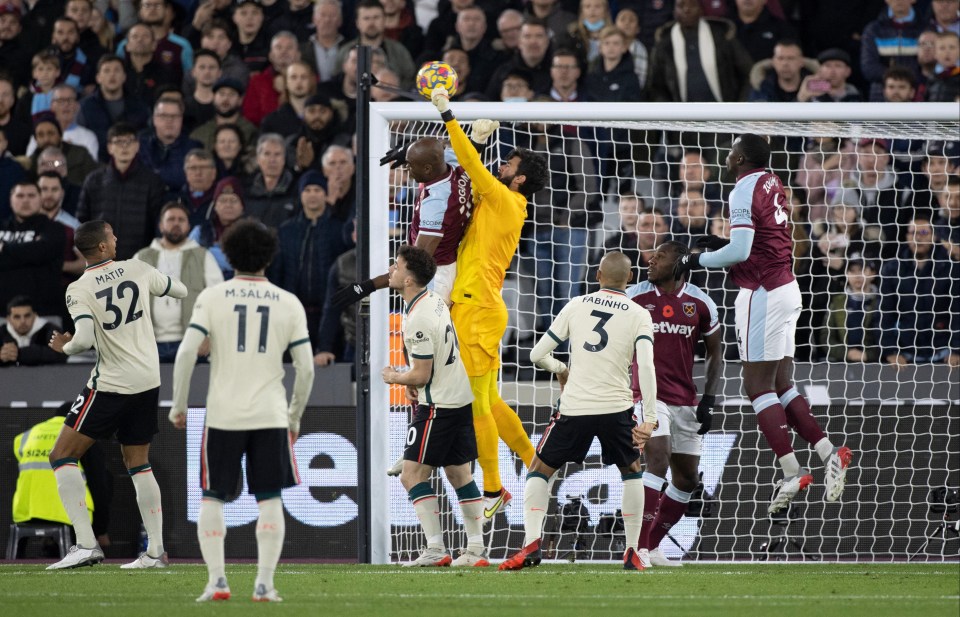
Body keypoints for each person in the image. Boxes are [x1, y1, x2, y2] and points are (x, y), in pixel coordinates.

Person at [674, 133, 853, 513]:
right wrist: (718, 244)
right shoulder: (772, 181)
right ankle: (828, 453)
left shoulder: (742, 189)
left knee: (756, 386)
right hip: (787, 286)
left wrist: (696, 261)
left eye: (731, 148)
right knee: (781, 383)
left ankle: (791, 471)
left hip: (763, 292)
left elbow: (740, 249)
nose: (727, 153)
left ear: (739, 157)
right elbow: (754, 241)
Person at [169, 219, 314, 602]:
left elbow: (186, 352)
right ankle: (265, 584)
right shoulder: (288, 302)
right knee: (269, 499)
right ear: (270, 256)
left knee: (213, 497)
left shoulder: (213, 297)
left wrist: (178, 404)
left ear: (228, 254)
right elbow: (307, 369)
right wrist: (294, 417)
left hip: (223, 415)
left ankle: (217, 581)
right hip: (270, 415)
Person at [431, 86, 548, 520]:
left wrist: (448, 114)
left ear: (518, 179)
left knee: (477, 404)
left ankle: (495, 488)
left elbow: (470, 163)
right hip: (477, 307)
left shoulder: (503, 198)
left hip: (478, 309)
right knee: (491, 400)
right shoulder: (504, 201)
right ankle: (537, 462)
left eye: (510, 165)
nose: (502, 166)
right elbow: (467, 171)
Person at [499, 251, 657, 571]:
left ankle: (531, 544)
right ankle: (632, 551)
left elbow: (536, 354)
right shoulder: (639, 314)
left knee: (539, 471)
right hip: (616, 407)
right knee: (632, 472)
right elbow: (647, 367)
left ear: (597, 275)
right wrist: (650, 418)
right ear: (629, 279)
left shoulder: (577, 305)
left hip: (576, 406)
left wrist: (561, 368)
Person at [46, 219, 188, 569]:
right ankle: (155, 552)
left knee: (61, 455)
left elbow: (83, 339)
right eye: (112, 235)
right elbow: (181, 291)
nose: (117, 237)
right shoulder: (138, 268)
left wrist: (64, 348)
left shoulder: (78, 289)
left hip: (112, 383)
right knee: (138, 463)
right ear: (103, 247)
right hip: (148, 380)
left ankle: (85, 543)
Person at [380, 244, 488, 567]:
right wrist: (415, 381)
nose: (391, 271)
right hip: (458, 398)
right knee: (459, 474)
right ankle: (476, 550)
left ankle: (436, 548)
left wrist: (395, 377)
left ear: (409, 279)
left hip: (439, 406)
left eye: (396, 267)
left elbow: (422, 372)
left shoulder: (418, 318)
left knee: (411, 476)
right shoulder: (434, 301)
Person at [627, 241, 722, 568]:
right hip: (647, 396)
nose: (650, 261)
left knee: (686, 479)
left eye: (660, 257)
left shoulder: (701, 303)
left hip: (686, 400)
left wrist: (709, 399)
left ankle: (651, 546)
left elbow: (716, 353)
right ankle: (636, 549)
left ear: (679, 263)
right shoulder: (634, 297)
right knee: (658, 458)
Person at [134, 202, 224, 362]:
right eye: (171, 219)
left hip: (192, 342)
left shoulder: (203, 256)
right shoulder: (142, 257)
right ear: (161, 226)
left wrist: (209, 335)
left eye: (181, 220)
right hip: (148, 345)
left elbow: (218, 300)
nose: (176, 223)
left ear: (189, 226)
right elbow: (128, 303)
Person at [1, 295, 67, 367]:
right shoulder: (2, 332)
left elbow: (63, 354)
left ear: (35, 315)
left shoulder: (50, 330)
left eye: (27, 316)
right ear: (8, 319)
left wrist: (20, 353)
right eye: (17, 317)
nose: (23, 321)